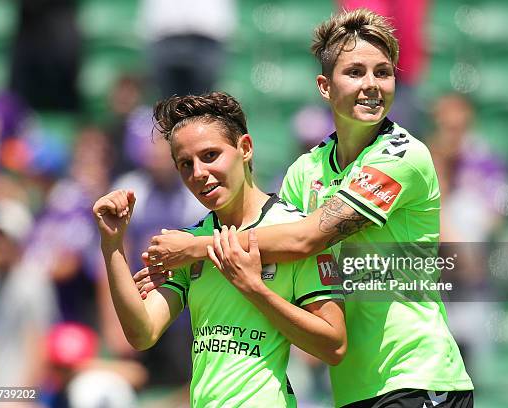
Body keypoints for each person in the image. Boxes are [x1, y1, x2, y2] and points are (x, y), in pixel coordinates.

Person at [137, 9, 474, 408]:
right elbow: (275, 252)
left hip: (416, 372)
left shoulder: (403, 156)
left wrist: (195, 249)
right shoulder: (305, 170)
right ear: (325, 86)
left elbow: (305, 239)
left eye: (383, 73)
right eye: (355, 72)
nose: (371, 85)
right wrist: (178, 273)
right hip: (354, 387)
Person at [93, 92, 346, 407]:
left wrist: (254, 288)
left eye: (210, 155)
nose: (198, 173)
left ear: (245, 148)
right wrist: (112, 244)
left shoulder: (291, 233)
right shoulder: (188, 244)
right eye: (185, 164)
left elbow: (333, 345)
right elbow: (142, 333)